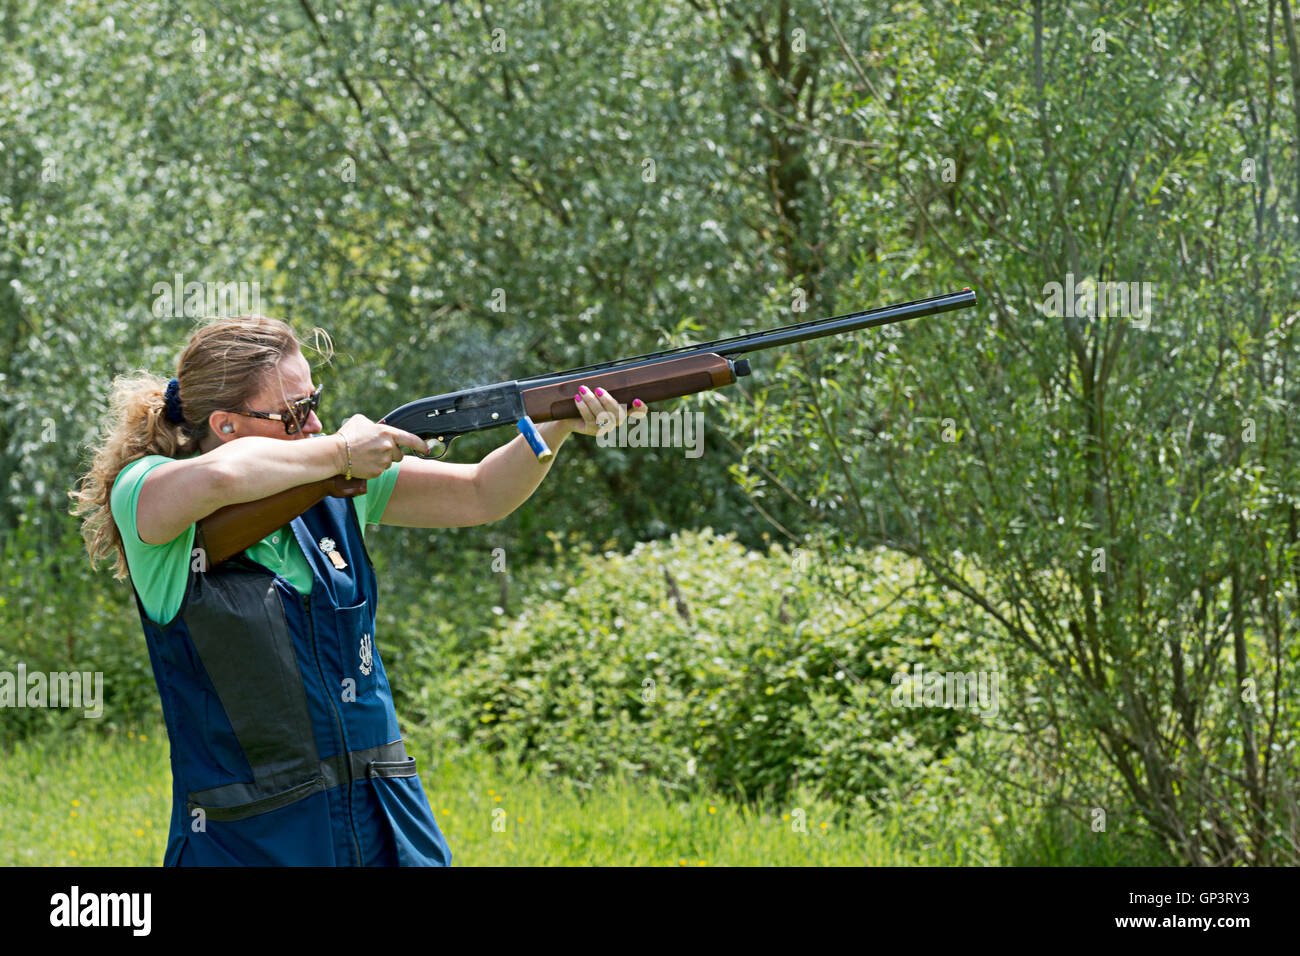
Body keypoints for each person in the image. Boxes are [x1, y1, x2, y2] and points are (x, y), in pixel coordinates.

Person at [70, 314, 647, 866]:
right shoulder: (146, 494)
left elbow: (480, 493)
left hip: (386, 825)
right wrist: (343, 452)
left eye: (316, 403)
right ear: (225, 425)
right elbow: (223, 476)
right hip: (255, 843)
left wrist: (555, 427)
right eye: (297, 412)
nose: (317, 425)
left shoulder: (333, 485)